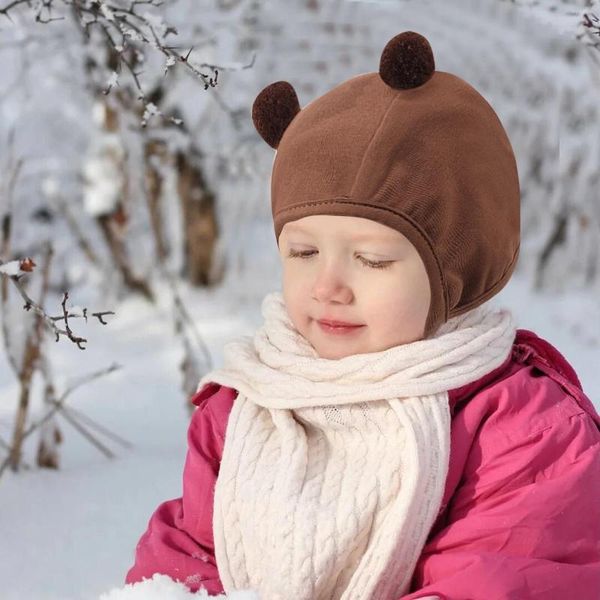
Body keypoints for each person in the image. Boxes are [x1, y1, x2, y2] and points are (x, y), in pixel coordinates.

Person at [125, 31, 600, 599]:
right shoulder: (245, 406)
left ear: (456, 270)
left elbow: (497, 578)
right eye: (303, 253)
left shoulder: (520, 429)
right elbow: (187, 557)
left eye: (372, 260)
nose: (328, 287)